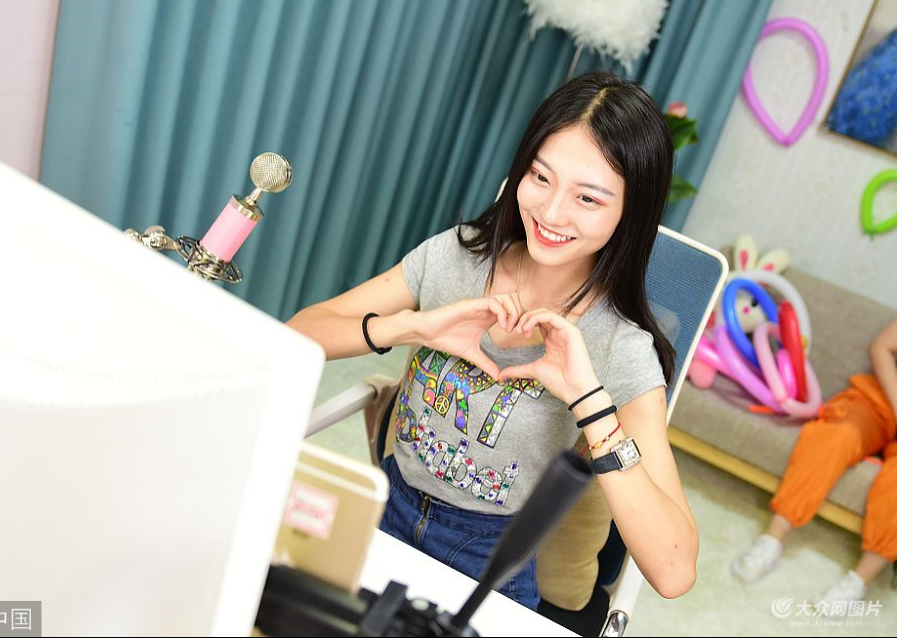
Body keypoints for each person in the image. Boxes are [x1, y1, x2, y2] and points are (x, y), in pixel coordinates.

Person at [288, 71, 698, 609]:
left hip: (489, 560)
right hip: (385, 507)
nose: (551, 213)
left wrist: (590, 403)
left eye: (588, 198)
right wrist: (411, 326)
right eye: (541, 176)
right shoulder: (456, 257)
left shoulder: (621, 346)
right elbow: (298, 334)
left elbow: (674, 570)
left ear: (630, 213)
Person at [731, 315, 897, 613]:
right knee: (837, 437)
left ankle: (858, 581)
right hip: (883, 399)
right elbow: (882, 347)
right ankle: (772, 540)